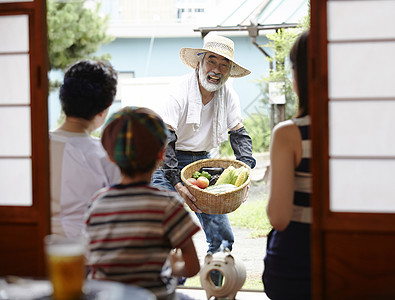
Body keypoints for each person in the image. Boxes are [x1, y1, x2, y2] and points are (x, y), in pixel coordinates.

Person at [151, 33, 256, 255]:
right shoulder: (177, 91)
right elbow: (164, 139)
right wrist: (177, 183)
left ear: (229, 71)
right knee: (159, 230)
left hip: (202, 163)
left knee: (221, 237)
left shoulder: (229, 95)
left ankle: (218, 280)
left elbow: (239, 135)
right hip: (165, 161)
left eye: (223, 64)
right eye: (211, 61)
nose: (216, 70)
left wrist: (245, 173)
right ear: (199, 63)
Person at [85, 107, 201, 300]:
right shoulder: (169, 205)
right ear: (162, 154)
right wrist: (172, 265)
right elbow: (192, 267)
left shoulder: (97, 203)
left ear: (111, 156)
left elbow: (89, 262)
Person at [262, 30, 312, 299]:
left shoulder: (289, 134)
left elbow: (279, 218)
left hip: (297, 261)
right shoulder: (366, 129)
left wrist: (271, 180)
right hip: (352, 251)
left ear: (299, 76)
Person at [49, 59, 121, 238]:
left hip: (35, 248)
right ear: (104, 110)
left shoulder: (35, 148)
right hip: (90, 252)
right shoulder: (107, 155)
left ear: (63, 98)